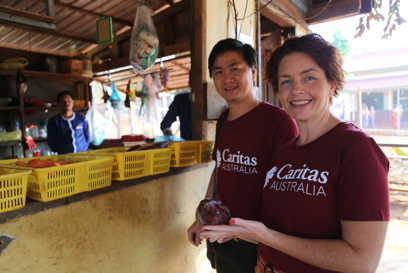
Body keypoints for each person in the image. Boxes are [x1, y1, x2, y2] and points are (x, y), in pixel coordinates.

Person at [200, 34, 390, 273]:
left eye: (309, 77)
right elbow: (280, 230)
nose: (297, 89)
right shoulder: (284, 154)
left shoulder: (356, 149)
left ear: (332, 84)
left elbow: (363, 262)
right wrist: (235, 231)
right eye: (286, 81)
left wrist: (266, 237)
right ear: (278, 90)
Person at [187, 38, 299, 273]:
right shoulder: (223, 120)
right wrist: (202, 219)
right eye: (218, 72)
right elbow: (220, 170)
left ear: (253, 72)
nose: (227, 78)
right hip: (221, 236)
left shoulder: (279, 122)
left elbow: (293, 190)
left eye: (235, 69)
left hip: (258, 243)